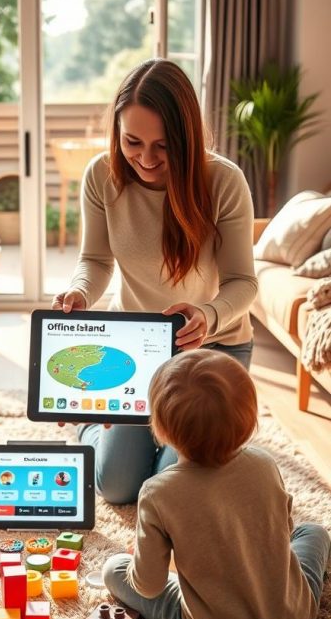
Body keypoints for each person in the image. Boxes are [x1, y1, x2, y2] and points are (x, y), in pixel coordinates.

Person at [53, 58, 258, 504]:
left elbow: (244, 281)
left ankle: (219, 444)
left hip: (213, 348)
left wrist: (207, 315)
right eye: (133, 142)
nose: (146, 159)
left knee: (176, 485)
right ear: (117, 132)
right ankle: (90, 423)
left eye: (163, 146)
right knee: (116, 487)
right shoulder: (101, 176)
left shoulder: (223, 181)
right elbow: (94, 260)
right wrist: (80, 291)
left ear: (187, 139)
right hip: (136, 346)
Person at [102, 350, 331, 619]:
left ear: (161, 429)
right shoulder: (264, 463)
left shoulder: (158, 493)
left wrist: (155, 556)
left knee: (114, 569)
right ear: (250, 422)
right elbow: (282, 532)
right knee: (314, 532)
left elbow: (148, 585)